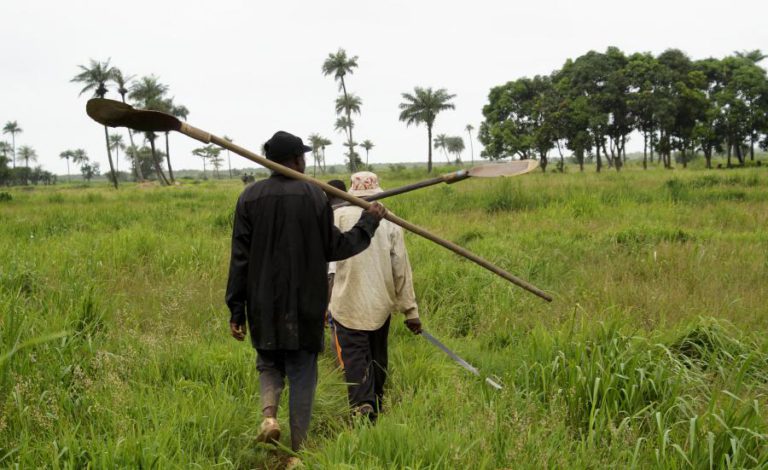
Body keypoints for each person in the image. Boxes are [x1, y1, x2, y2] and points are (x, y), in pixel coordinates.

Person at [225, 131, 387, 453]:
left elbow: (239, 258)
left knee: (268, 362)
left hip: (262, 303)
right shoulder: (314, 196)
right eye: (304, 157)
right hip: (305, 304)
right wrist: (368, 223)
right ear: (298, 159)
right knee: (302, 372)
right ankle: (297, 450)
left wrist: (236, 309)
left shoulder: (249, 197)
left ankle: (269, 417)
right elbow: (334, 247)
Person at [328, 171, 422, 419]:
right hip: (381, 305)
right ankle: (374, 402)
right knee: (377, 355)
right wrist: (410, 311)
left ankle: (363, 405)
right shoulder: (389, 220)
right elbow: (401, 267)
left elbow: (324, 265)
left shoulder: (335, 217)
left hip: (346, 304)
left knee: (355, 358)